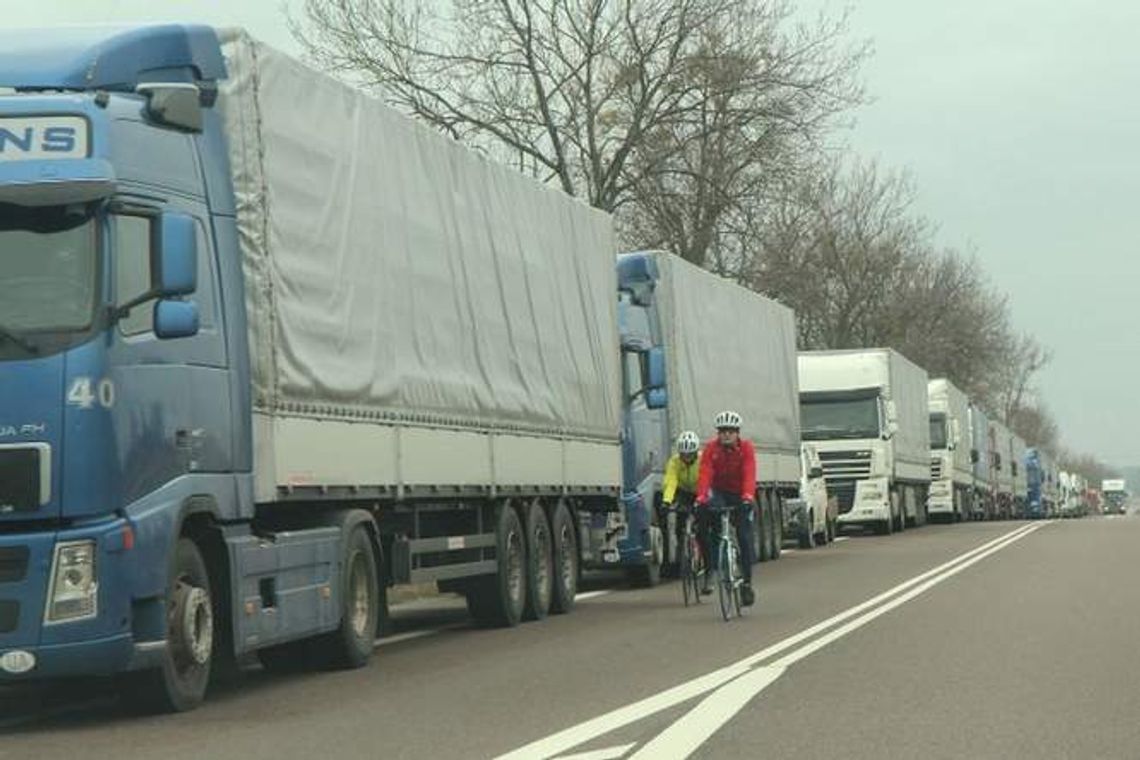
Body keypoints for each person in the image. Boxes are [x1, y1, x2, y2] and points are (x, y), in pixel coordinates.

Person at [696, 410, 757, 606]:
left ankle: (747, 583)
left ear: (737, 433)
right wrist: (701, 497)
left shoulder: (746, 448)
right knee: (707, 519)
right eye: (722, 431)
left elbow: (749, 473)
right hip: (719, 492)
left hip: (740, 493)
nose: (726, 435)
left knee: (744, 537)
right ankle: (711, 567)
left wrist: (748, 497)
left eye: (731, 431)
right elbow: (705, 473)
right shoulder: (711, 449)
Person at [662, 431, 702, 577]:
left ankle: (702, 551)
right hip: (683, 492)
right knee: (680, 522)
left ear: (695, 452)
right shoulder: (674, 462)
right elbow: (671, 481)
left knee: (702, 523)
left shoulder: (702, 461)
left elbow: (706, 481)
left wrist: (702, 500)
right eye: (683, 455)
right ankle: (682, 554)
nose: (686, 458)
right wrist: (667, 501)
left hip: (700, 491)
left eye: (690, 454)